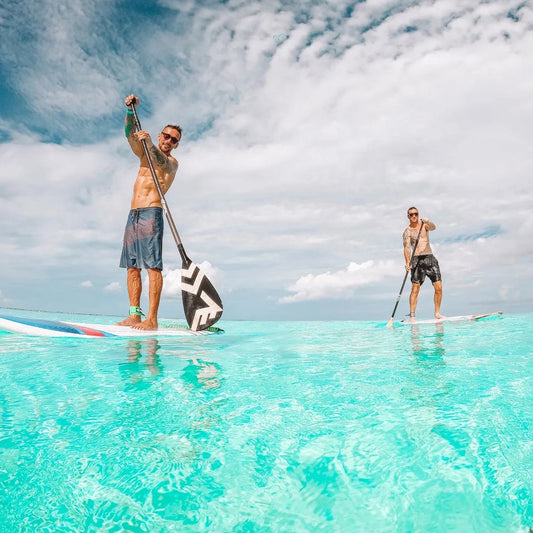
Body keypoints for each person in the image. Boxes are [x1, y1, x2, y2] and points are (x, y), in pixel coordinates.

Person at [116, 94, 181, 330]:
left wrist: (150, 144)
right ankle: (135, 314)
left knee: (153, 266)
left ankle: (152, 319)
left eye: (174, 139)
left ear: (176, 145)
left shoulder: (172, 163)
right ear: (160, 135)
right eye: (166, 135)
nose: (169, 140)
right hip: (133, 213)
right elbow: (128, 133)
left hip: (151, 212)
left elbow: (161, 162)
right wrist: (130, 112)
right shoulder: (144, 152)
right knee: (132, 266)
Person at [403, 207, 444, 321]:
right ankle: (412, 316)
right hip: (417, 259)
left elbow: (433, 227)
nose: (414, 216)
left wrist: (428, 221)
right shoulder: (407, 231)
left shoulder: (424, 225)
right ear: (408, 216)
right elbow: (406, 248)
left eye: (416, 214)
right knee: (415, 288)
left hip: (429, 258)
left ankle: (437, 313)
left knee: (438, 287)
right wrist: (407, 262)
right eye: (411, 214)